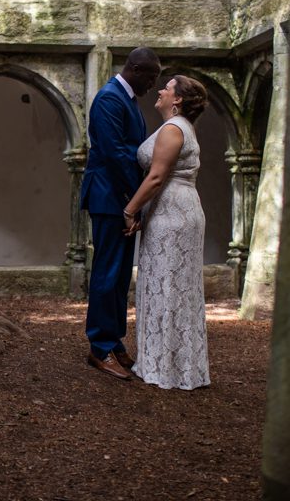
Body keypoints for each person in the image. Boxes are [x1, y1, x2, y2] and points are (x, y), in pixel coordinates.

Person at [123, 75, 210, 390]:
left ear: (178, 100)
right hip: (173, 209)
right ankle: (173, 364)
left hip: (174, 214)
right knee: (169, 285)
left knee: (169, 285)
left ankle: (167, 367)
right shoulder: (177, 127)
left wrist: (130, 210)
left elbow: (157, 176)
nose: (160, 90)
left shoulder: (174, 129)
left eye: (167, 88)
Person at [80, 47, 161, 380]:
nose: (153, 85)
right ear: (136, 69)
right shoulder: (110, 99)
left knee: (120, 274)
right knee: (107, 272)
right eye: (152, 77)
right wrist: (134, 201)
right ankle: (99, 348)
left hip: (122, 198)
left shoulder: (127, 99)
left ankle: (113, 340)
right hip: (110, 197)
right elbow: (115, 154)